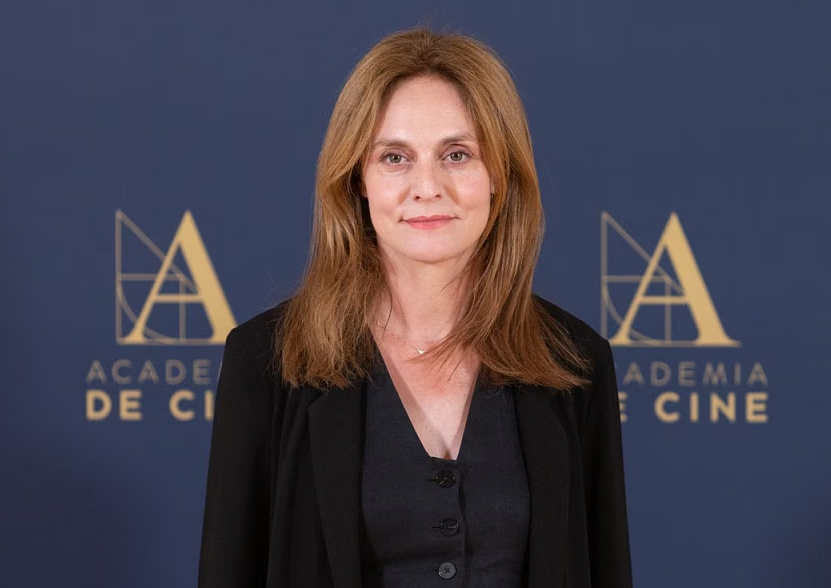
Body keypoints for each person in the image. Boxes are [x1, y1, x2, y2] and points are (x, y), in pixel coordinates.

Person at [197, 27, 632, 588]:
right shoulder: (266, 362)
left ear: (499, 175)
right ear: (358, 179)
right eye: (395, 157)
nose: (427, 186)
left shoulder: (576, 362)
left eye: (457, 155)